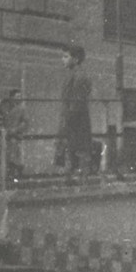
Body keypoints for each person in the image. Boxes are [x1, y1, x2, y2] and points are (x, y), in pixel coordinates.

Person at [56, 44, 93, 180]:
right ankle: (73, 181)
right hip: (71, 120)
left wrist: (66, 124)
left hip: (77, 121)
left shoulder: (80, 77)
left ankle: (80, 184)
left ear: (76, 59)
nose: (63, 60)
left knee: (78, 153)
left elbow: (76, 103)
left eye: (66, 56)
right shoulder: (71, 75)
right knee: (72, 154)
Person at [0, 89, 29, 182]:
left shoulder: (22, 109)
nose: (18, 99)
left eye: (19, 97)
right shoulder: (3, 107)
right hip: (5, 137)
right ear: (11, 97)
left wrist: (16, 130)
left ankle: (16, 176)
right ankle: (7, 176)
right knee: (5, 157)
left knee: (16, 157)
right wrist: (3, 131)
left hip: (16, 137)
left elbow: (25, 122)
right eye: (17, 96)